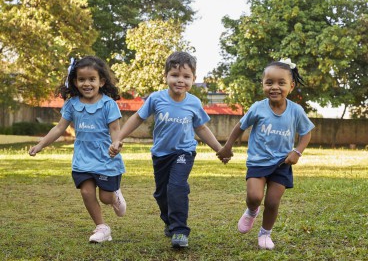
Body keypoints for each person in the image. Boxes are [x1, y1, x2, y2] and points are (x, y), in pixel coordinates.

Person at [109, 51, 227, 248]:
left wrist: (219, 149)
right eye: (175, 75)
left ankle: (180, 231)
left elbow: (201, 128)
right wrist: (119, 138)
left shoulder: (194, 103)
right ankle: (170, 222)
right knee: (162, 194)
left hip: (184, 152)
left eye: (186, 76)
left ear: (193, 79)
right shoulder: (156, 99)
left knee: (176, 187)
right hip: (161, 155)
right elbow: (137, 118)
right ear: (166, 77)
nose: (180, 80)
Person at [217, 58, 314, 250]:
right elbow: (240, 126)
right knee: (254, 196)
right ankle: (252, 211)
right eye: (269, 82)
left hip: (282, 164)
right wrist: (227, 147)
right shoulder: (258, 108)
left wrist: (297, 152)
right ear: (263, 84)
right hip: (258, 161)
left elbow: (306, 133)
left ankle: (265, 234)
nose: (274, 87)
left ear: (291, 86)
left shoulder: (296, 111)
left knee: (272, 202)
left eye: (281, 83)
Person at [29, 56, 126, 243]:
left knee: (105, 197)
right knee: (86, 192)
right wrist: (41, 145)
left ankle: (115, 196)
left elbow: (115, 129)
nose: (87, 83)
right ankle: (102, 227)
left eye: (92, 79)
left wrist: (116, 144)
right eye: (82, 79)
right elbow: (59, 128)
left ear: (101, 81)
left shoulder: (108, 104)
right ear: (75, 81)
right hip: (83, 158)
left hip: (106, 157)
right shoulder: (72, 104)